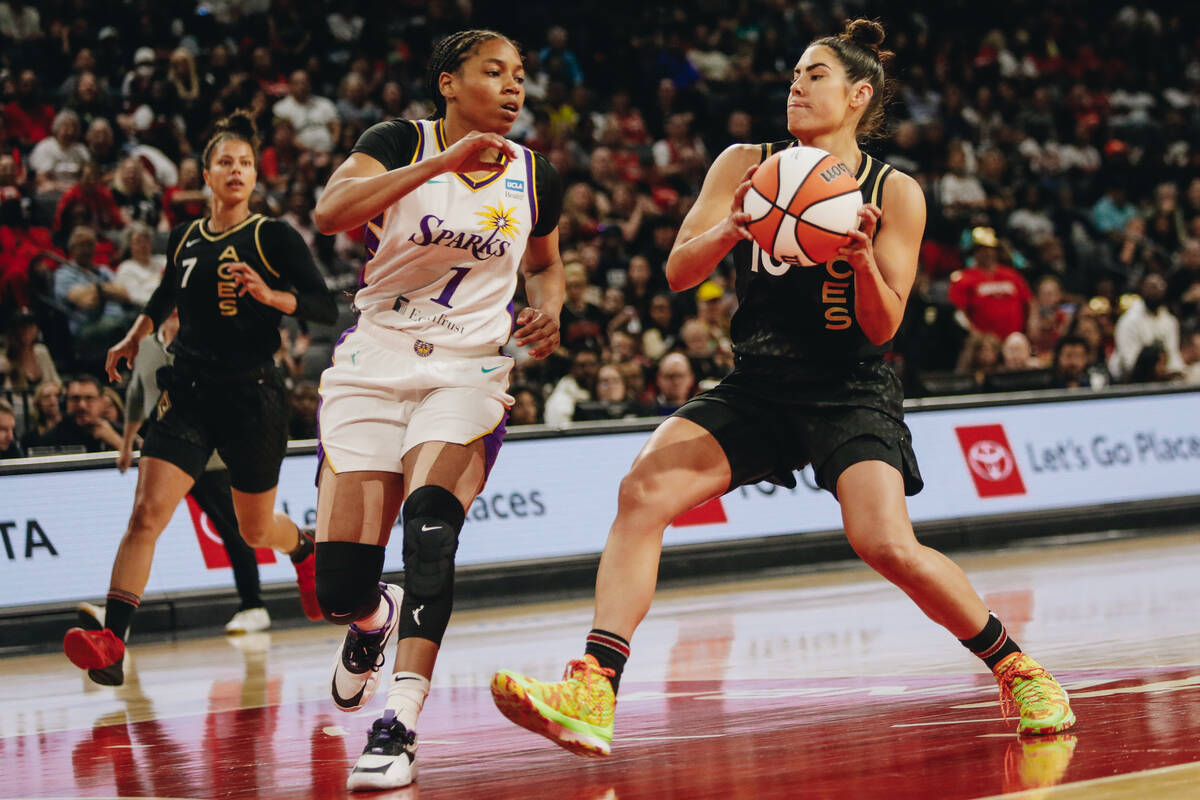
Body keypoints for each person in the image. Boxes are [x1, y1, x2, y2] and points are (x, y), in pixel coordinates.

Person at [490, 19, 1075, 759]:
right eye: (794, 74)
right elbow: (678, 272)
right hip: (759, 382)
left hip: (848, 384)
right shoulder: (746, 161)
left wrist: (862, 261)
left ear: (860, 95)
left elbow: (884, 327)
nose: (796, 85)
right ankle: (594, 688)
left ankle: (1017, 667)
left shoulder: (894, 191)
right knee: (642, 491)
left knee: (885, 543)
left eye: (815, 75)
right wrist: (733, 229)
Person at [311, 29, 564, 791]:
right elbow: (330, 213)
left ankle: (400, 723)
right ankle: (368, 620)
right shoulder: (397, 140)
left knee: (430, 531)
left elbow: (547, 266)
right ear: (450, 84)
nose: (515, 87)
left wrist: (549, 310)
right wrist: (443, 163)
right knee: (337, 588)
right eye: (495, 72)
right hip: (374, 365)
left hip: (467, 369)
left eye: (520, 76)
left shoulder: (534, 174)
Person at [61, 111, 338, 687]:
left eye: (244, 163)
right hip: (187, 392)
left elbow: (322, 305)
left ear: (253, 178)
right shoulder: (185, 236)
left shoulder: (272, 235)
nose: (236, 171)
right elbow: (166, 294)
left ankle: (305, 549)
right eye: (225, 162)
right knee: (146, 514)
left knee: (255, 529)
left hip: (253, 397)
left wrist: (270, 295)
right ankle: (112, 641)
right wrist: (135, 336)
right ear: (206, 174)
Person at [107, 309, 276, 634]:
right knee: (144, 526)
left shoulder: (202, 340)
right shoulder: (141, 344)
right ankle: (119, 619)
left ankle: (254, 604)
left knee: (233, 528)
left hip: (209, 452)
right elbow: (136, 394)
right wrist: (127, 443)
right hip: (166, 452)